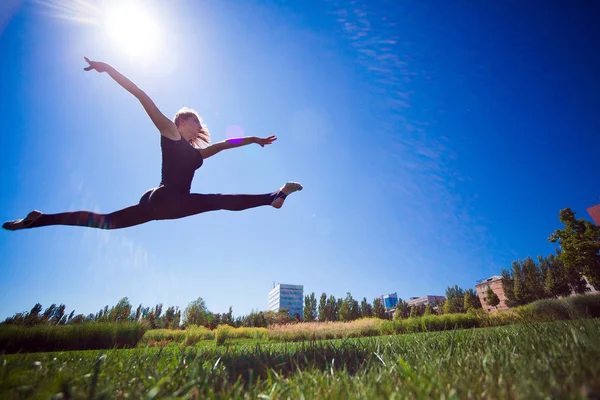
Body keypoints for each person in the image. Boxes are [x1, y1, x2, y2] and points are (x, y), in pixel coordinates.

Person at [2, 57, 302, 231]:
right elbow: (142, 95)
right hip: (168, 199)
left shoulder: (196, 153)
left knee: (106, 222)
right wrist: (108, 68)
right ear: (182, 122)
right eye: (195, 120)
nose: (200, 125)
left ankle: (39, 219)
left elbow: (223, 144)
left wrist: (254, 140)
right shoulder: (170, 132)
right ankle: (274, 196)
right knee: (217, 200)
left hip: (157, 202)